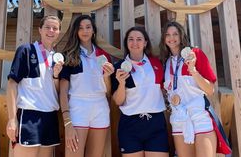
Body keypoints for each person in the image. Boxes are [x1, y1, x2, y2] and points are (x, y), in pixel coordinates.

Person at [159, 21, 231, 157]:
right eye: (167, 35)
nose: (171, 37)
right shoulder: (166, 62)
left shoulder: (195, 54)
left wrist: (193, 70)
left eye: (175, 34)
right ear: (164, 39)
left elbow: (210, 90)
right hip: (178, 119)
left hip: (199, 116)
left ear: (181, 36)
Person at [6, 15, 63, 157]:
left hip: (50, 116)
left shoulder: (58, 58)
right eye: (47, 27)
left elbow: (57, 92)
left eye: (55, 28)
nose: (51, 30)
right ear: (40, 30)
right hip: (29, 114)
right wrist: (12, 119)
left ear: (58, 32)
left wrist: (56, 75)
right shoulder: (26, 50)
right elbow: (12, 84)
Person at [59, 14, 114, 157]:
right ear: (76, 32)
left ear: (93, 30)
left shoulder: (104, 56)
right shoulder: (69, 55)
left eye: (88, 27)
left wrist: (107, 77)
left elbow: (108, 92)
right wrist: (67, 122)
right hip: (78, 109)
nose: (85, 31)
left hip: (100, 108)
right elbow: (63, 91)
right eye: (81, 28)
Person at [111, 26, 169, 157]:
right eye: (131, 39)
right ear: (126, 42)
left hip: (156, 123)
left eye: (139, 39)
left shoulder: (157, 63)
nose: (135, 43)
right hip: (130, 124)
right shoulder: (119, 67)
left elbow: (164, 88)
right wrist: (121, 83)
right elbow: (118, 101)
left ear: (145, 42)